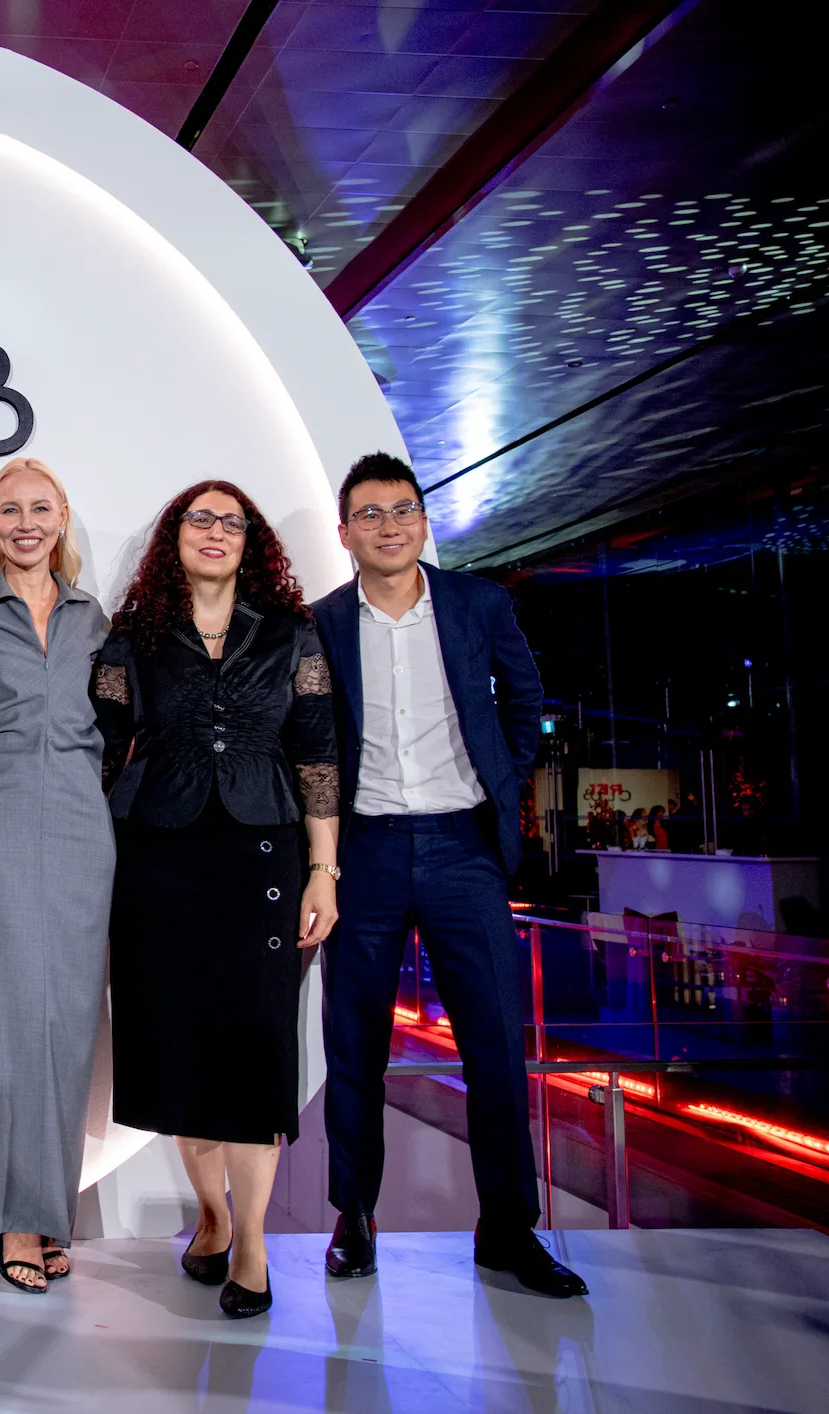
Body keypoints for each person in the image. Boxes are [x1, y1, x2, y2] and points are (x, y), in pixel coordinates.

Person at [313, 451, 587, 1299]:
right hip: (364, 854)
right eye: (370, 513)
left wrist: (500, 778)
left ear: (423, 521)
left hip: (464, 849)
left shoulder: (478, 604)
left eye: (403, 510)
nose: (388, 525)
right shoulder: (320, 621)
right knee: (352, 1045)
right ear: (345, 531)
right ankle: (353, 1217)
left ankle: (508, 1230)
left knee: (497, 1045)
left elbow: (524, 698)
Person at [91, 479, 339, 1320]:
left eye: (232, 522)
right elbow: (100, 746)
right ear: (174, 537)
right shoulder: (133, 637)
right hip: (157, 854)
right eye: (200, 518)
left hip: (262, 850)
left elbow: (316, 750)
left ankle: (255, 1244)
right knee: (181, 1049)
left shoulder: (291, 633)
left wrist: (324, 870)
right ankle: (210, 1215)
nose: (216, 532)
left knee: (254, 1049)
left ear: (251, 543)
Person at [0, 458, 111, 1292]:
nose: (26, 523)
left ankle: (48, 1210)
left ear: (64, 516)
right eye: (11, 511)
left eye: (41, 508)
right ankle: (6, 1220)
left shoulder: (94, 617)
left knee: (67, 1020)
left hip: (83, 818)